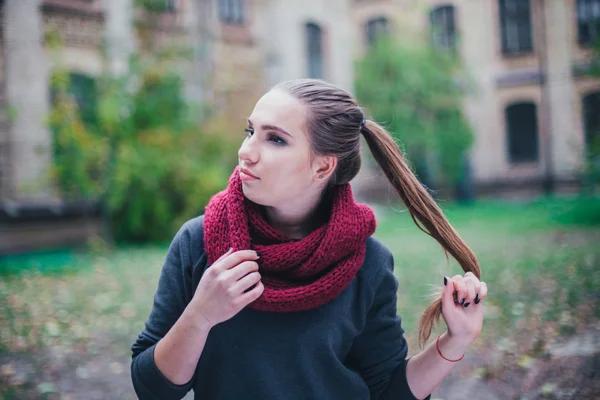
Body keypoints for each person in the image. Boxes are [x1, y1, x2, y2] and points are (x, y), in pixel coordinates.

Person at [130, 79, 488, 400]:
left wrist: (456, 340)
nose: (246, 151)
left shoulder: (367, 262)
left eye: (275, 139)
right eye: (249, 131)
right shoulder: (200, 242)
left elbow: (386, 390)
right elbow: (152, 388)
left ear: (322, 167)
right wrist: (201, 315)